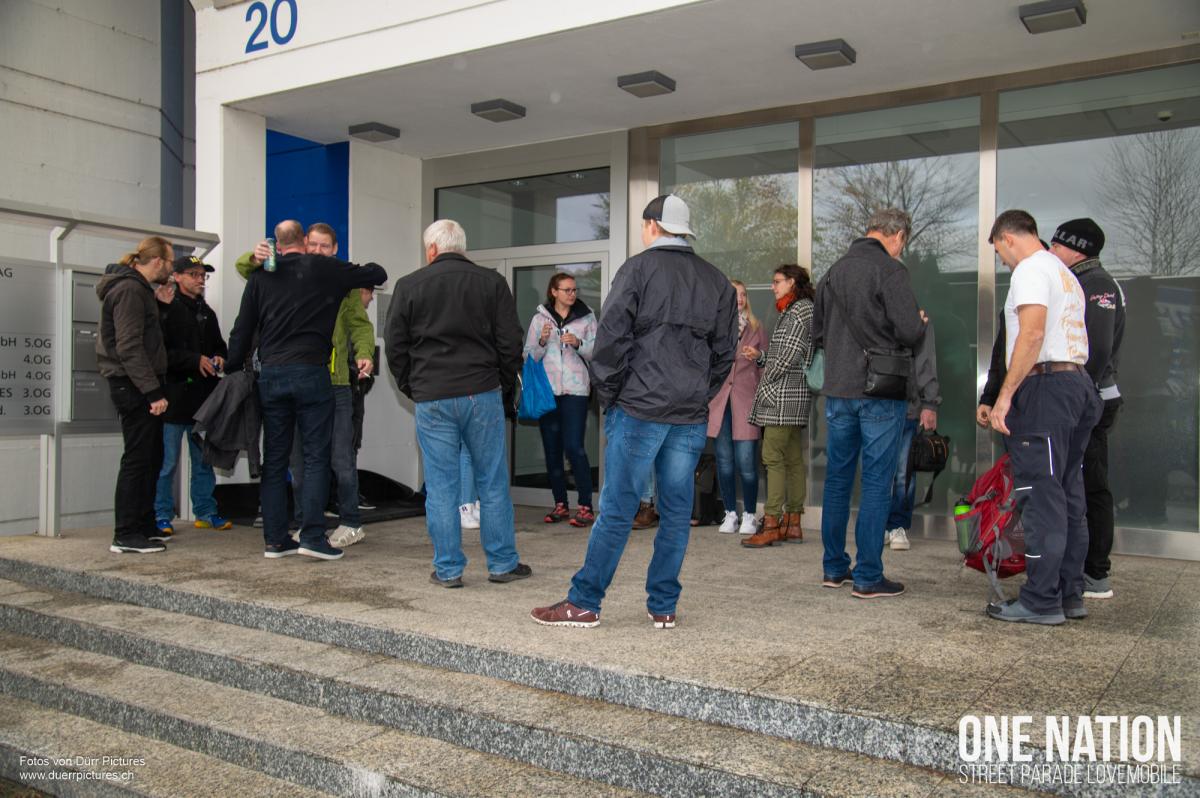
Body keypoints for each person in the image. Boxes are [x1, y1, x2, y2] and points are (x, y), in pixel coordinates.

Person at [530, 194, 737, 629]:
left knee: (618, 509)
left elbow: (610, 342)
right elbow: (724, 353)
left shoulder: (637, 270)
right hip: (689, 413)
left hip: (639, 408)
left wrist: (613, 398)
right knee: (676, 512)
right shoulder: (716, 281)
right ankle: (663, 605)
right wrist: (699, 393)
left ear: (652, 226)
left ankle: (585, 602)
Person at [978, 219, 1124, 600]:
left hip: (1045, 389)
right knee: (1069, 494)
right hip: (1076, 386)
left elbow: (1032, 334)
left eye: (999, 251)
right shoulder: (1066, 275)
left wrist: (1005, 396)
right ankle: (1069, 593)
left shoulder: (1030, 270)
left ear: (1007, 238)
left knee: (1040, 497)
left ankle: (1041, 598)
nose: (1003, 260)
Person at [226, 220, 386, 561]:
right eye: (313, 245)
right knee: (314, 458)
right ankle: (312, 536)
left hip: (273, 376)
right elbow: (377, 273)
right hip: (312, 374)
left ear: (277, 245)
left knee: (276, 460)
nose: (317, 251)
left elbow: (242, 327)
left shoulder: (261, 277)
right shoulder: (326, 271)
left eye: (324, 246)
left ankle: (275, 540)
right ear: (304, 242)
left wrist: (231, 367)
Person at [385, 219, 530, 588]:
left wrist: (413, 387)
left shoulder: (409, 285)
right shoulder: (491, 282)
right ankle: (502, 564)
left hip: (432, 396)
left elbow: (395, 346)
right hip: (481, 392)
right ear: (462, 247)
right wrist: (500, 385)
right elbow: (510, 342)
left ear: (432, 250)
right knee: (492, 482)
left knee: (441, 486)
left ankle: (448, 569)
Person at [814, 208, 925, 599]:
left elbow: (818, 332)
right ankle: (867, 575)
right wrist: (920, 322)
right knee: (877, 481)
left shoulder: (832, 272)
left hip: (838, 391)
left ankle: (833, 568)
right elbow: (909, 330)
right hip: (879, 391)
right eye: (903, 244)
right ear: (897, 236)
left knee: (837, 481)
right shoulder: (890, 270)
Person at [96, 236, 174, 554]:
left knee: (152, 456)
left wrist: (161, 308)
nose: (171, 269)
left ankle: (142, 524)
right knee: (138, 458)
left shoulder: (140, 290)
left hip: (139, 383)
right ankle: (126, 533)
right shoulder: (129, 290)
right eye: (170, 262)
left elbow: (146, 339)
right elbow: (128, 346)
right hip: (133, 385)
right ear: (157, 261)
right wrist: (152, 391)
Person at [153, 254, 231, 537]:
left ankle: (205, 512)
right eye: (194, 274)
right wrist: (193, 359)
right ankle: (160, 515)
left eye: (203, 275)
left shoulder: (206, 312)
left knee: (204, 460)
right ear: (177, 277)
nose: (200, 280)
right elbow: (159, 353)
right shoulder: (165, 309)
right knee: (167, 463)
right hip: (173, 398)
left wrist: (220, 357)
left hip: (203, 400)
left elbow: (220, 346)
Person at [741, 266, 814, 547]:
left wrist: (766, 377)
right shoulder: (797, 309)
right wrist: (761, 356)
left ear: (792, 282)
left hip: (782, 397)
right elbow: (784, 353)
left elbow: (788, 357)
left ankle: (772, 522)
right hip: (791, 395)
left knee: (772, 456)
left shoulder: (798, 311)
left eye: (777, 282)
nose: (773, 287)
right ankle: (793, 523)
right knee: (793, 459)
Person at [524, 272, 598, 527]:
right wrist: (542, 341)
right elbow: (529, 355)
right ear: (553, 292)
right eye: (567, 290)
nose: (572, 294)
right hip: (548, 391)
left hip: (575, 391)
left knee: (574, 447)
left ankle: (586, 506)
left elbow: (598, 351)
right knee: (552, 449)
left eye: (574, 289)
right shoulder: (539, 319)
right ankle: (561, 504)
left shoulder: (586, 317)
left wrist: (578, 343)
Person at [707, 279, 766, 535]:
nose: (739, 299)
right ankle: (730, 513)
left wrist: (758, 357)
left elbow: (766, 367)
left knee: (747, 464)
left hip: (746, 402)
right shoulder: (715, 328)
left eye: (742, 294)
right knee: (724, 462)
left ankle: (750, 515)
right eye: (734, 295)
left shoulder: (757, 328)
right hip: (720, 403)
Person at [883, 318, 940, 551]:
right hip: (873, 404)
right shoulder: (872, 312)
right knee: (877, 471)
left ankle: (897, 525)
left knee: (903, 472)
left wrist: (930, 403)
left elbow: (926, 362)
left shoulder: (917, 318)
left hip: (906, 406)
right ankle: (879, 524)